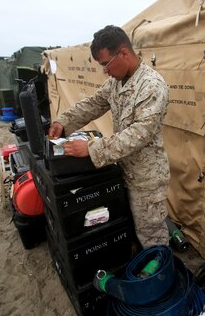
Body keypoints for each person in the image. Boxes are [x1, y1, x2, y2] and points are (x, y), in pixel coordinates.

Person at [48, 25, 170, 248]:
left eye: (106, 64)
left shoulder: (152, 86)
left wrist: (92, 149)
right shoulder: (116, 82)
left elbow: (139, 134)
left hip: (146, 178)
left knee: (152, 235)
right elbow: (94, 104)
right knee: (131, 228)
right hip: (123, 169)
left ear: (124, 53)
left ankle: (158, 276)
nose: (104, 71)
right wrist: (63, 122)